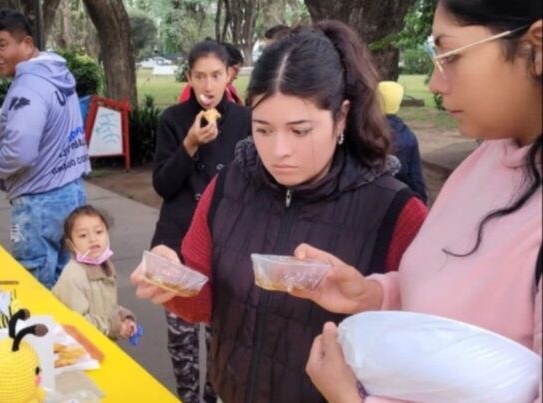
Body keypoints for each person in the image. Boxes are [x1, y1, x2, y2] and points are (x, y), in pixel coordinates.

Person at [132, 21, 428, 402]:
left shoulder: (395, 211)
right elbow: (204, 305)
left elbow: (425, 348)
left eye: (300, 131)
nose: (278, 151)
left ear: (341, 117)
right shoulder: (228, 186)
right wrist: (170, 280)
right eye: (263, 129)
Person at [285, 2, 542, 403]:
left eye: (451, 56)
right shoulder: (485, 160)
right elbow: (452, 301)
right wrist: (372, 295)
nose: (436, 83)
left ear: (537, 46)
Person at [152, 40, 252, 403]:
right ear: (189, 77)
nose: (208, 86)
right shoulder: (173, 120)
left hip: (224, 245)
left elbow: (251, 185)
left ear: (229, 75)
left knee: (218, 337)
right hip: (176, 243)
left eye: (215, 75)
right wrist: (190, 144)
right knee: (181, 337)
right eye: (199, 76)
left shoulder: (245, 120)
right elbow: (163, 185)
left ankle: (212, 397)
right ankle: (187, 397)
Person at [0, 9, 90, 289]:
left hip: (37, 203)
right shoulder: (58, 74)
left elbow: (20, 153)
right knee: (70, 283)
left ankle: (43, 333)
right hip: (71, 192)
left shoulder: (28, 88)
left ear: (26, 44)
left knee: (37, 287)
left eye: (2, 44)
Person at [52, 205, 137, 340]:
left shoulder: (104, 266)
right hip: (83, 349)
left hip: (101, 342)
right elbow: (79, 323)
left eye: (98, 232)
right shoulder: (73, 276)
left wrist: (123, 317)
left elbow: (107, 305)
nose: (93, 239)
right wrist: (115, 326)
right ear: (71, 244)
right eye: (83, 235)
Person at [378, 81, 428, 202]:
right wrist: (421, 203)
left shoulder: (362, 133)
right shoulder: (408, 136)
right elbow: (415, 177)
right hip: (399, 199)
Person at [178, 41, 244, 105]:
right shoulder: (191, 93)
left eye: (215, 76)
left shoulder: (230, 89)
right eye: (236, 69)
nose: (236, 76)